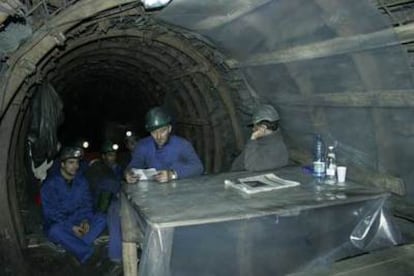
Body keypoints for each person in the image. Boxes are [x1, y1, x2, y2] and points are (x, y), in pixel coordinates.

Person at [41, 147, 106, 264]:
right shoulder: (50, 185)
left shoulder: (82, 182)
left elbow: (87, 205)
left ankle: (75, 248)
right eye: (71, 162)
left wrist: (85, 220)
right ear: (62, 164)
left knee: (102, 218)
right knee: (54, 231)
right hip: (61, 224)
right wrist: (71, 227)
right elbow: (51, 213)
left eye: (77, 162)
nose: (75, 166)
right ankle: (87, 254)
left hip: (78, 220)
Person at [125, 106, 204, 183]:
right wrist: (128, 174)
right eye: (154, 132)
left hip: (180, 191)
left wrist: (172, 174)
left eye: (163, 131)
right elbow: (134, 165)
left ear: (169, 129)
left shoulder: (182, 145)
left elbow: (198, 167)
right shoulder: (143, 146)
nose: (158, 136)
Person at [85, 140, 123, 263]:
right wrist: (120, 187)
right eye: (110, 155)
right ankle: (115, 256)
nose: (113, 157)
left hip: (115, 201)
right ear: (104, 156)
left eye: (114, 154)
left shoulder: (119, 168)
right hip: (101, 204)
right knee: (110, 216)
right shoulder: (98, 168)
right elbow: (106, 184)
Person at [231, 104, 289, 172]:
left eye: (255, 126)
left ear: (263, 128)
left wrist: (253, 138)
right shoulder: (266, 141)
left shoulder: (274, 148)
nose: (253, 129)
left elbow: (251, 167)